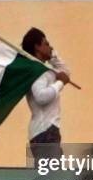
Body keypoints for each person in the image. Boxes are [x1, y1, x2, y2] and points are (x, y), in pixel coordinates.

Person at [21, 28, 70, 166]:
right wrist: (60, 83)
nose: (51, 47)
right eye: (46, 44)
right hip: (45, 131)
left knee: (50, 178)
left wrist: (52, 55)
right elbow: (41, 97)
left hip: (47, 131)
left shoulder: (43, 70)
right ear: (37, 47)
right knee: (50, 178)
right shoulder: (38, 71)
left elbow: (66, 73)